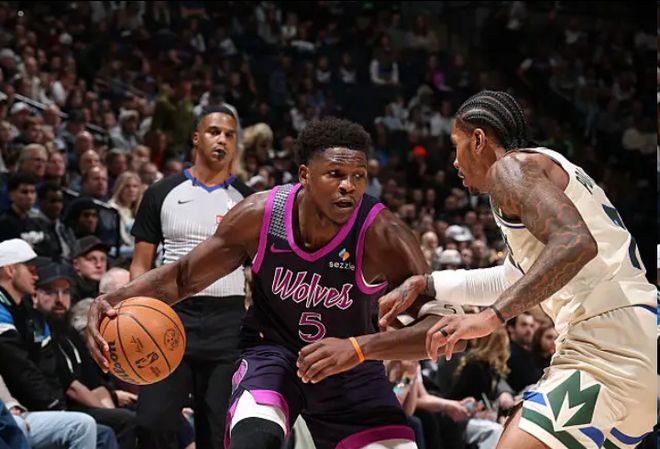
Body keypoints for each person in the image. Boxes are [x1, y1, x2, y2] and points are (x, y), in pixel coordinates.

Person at [86, 117, 449, 449]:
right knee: (254, 441)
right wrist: (112, 300)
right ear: (304, 175)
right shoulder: (262, 216)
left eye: (359, 176)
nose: (348, 187)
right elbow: (183, 278)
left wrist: (358, 348)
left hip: (352, 368)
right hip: (273, 357)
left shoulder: (383, 234)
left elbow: (440, 330)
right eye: (335, 173)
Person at [370, 90, 656, 449]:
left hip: (606, 346)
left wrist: (490, 317)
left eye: (457, 146)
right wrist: (428, 283)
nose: (454, 162)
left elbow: (576, 242)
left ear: (478, 140)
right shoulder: (545, 170)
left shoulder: (510, 168)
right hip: (640, 342)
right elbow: (513, 278)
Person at [127, 105, 252, 449]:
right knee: (151, 423)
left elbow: (260, 267)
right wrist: (136, 311)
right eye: (214, 132)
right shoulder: (161, 192)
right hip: (170, 315)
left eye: (229, 135)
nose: (222, 140)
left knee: (219, 432)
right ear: (196, 138)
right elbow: (140, 264)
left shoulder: (248, 200)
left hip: (227, 321)